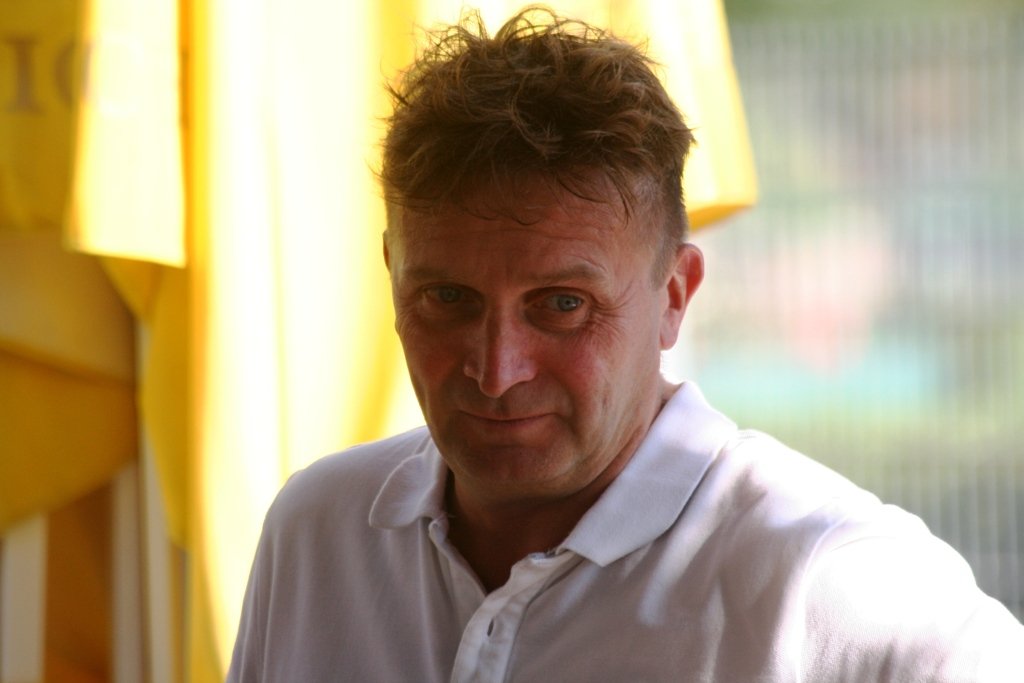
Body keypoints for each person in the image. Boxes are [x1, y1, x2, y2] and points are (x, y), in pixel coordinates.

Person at [226, 8, 1024, 682]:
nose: (496, 370)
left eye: (562, 305)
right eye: (447, 299)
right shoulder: (317, 532)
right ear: (392, 276)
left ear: (674, 295)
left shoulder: (830, 579)